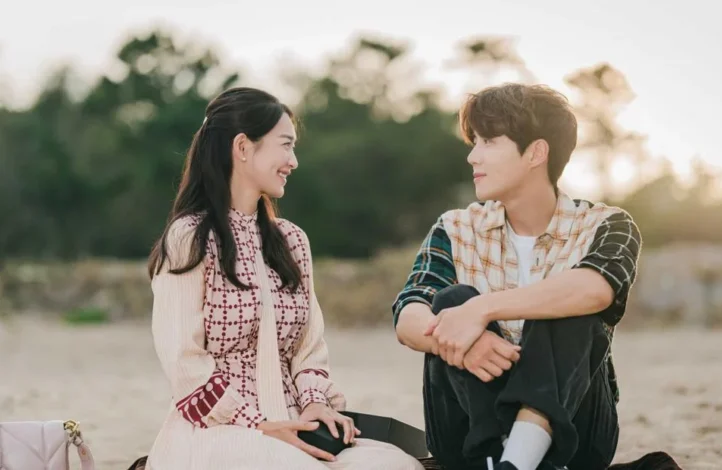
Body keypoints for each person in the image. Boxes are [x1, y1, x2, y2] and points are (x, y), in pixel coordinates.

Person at [146, 87, 423, 470]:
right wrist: (260, 424)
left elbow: (309, 348)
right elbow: (184, 361)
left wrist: (314, 403)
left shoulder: (292, 241)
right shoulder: (189, 237)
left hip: (295, 424)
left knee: (394, 464)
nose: (293, 161)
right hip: (217, 431)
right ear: (243, 147)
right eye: (285, 145)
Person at [392, 83, 642, 470]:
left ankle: (518, 458)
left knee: (568, 299)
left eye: (489, 141)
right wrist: (465, 343)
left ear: (536, 153)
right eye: (474, 142)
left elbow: (596, 290)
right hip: (467, 433)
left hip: (576, 435)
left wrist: (481, 311)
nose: (473, 156)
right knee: (451, 300)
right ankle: (502, 459)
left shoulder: (607, 224)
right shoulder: (455, 228)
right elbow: (409, 317)